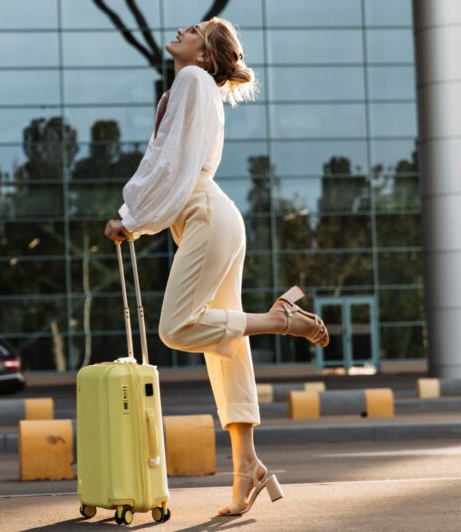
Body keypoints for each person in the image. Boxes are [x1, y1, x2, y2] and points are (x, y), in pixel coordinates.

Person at [103, 17, 330, 517]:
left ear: (205, 55)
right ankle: (247, 466)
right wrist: (140, 220)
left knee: (177, 326)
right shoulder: (195, 85)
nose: (185, 29)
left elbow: (168, 164)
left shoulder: (189, 81)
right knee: (227, 347)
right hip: (214, 217)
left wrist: (130, 219)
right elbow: (174, 163)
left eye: (196, 31)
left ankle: (278, 320)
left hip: (206, 215)